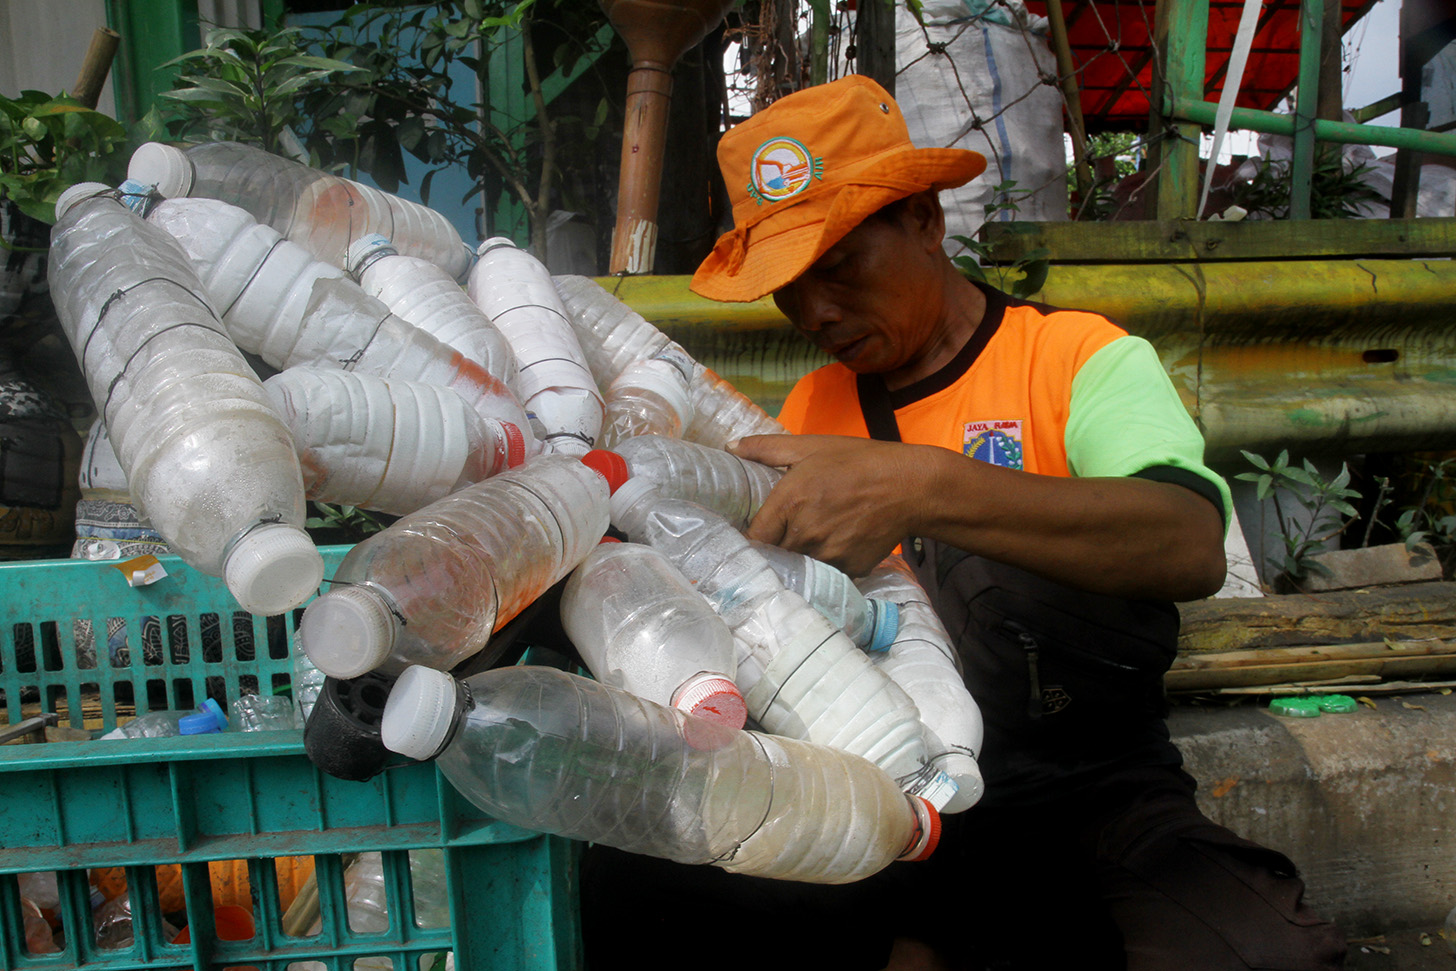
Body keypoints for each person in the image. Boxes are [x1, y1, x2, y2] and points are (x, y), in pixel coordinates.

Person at [579, 75, 1347, 971]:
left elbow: (1183, 540)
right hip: (894, 799)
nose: (817, 312)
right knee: (635, 892)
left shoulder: (1078, 359)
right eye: (789, 286)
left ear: (926, 221)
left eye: (840, 266)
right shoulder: (812, 409)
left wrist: (928, 487)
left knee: (1260, 955)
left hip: (1093, 792)